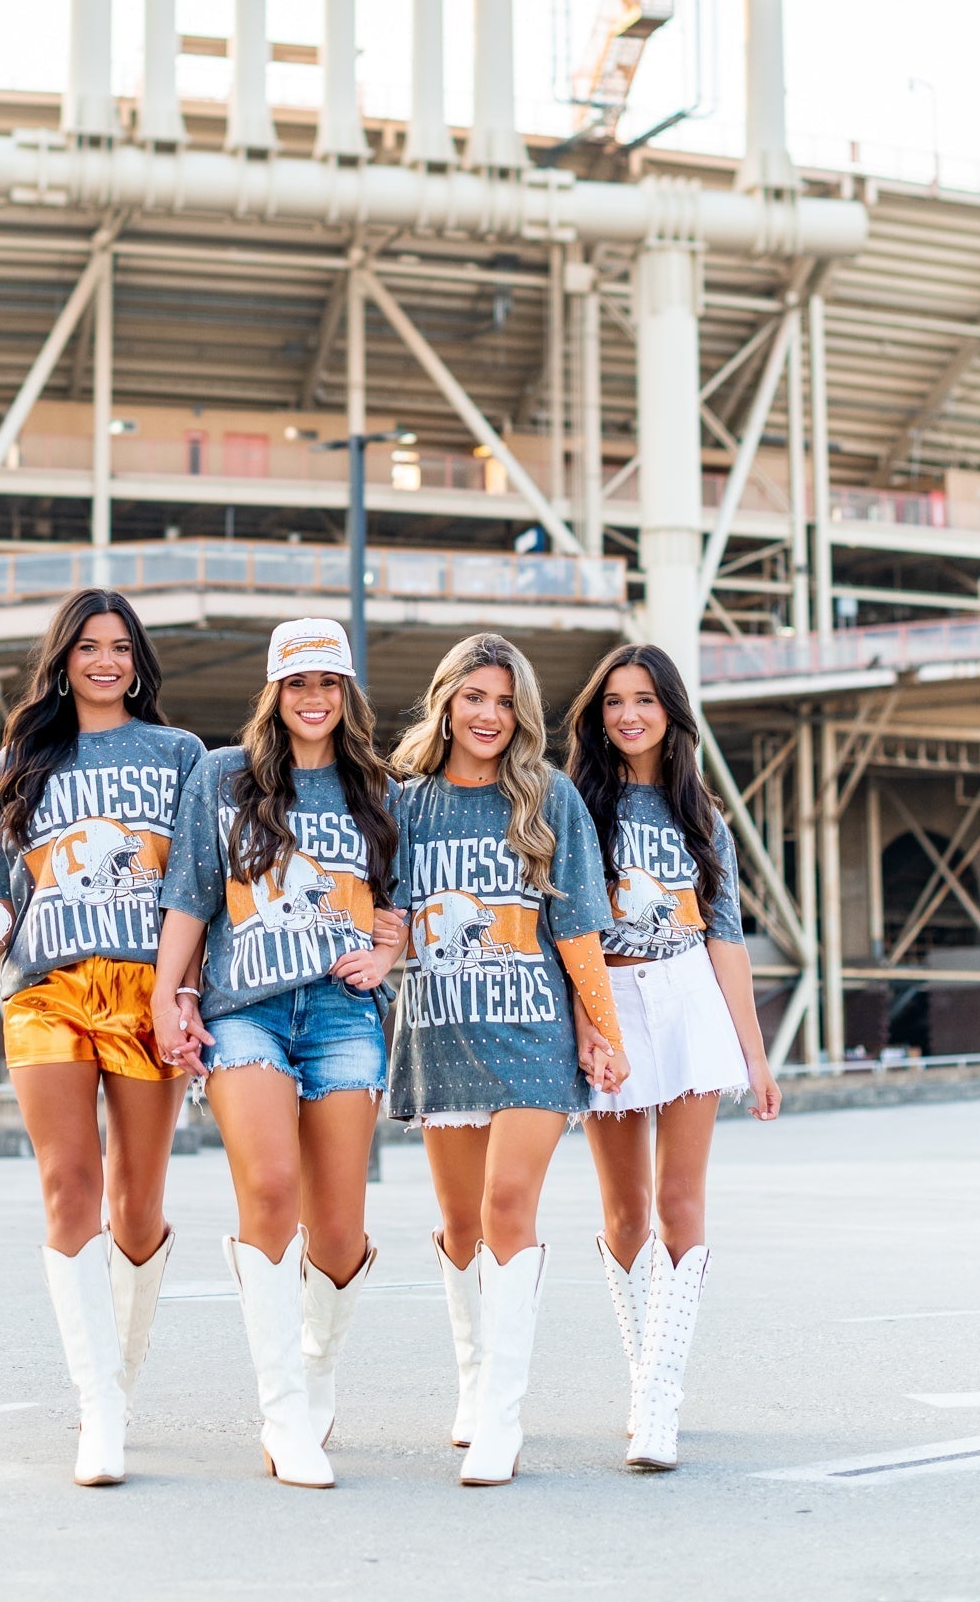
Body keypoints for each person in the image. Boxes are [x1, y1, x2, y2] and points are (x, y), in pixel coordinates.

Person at [0, 589, 202, 1487]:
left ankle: (120, 1379)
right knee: (68, 1185)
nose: (106, 661)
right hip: (45, 991)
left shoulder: (179, 755)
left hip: (146, 991)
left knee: (136, 1206)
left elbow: (198, 886)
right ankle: (98, 1408)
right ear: (62, 660)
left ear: (139, 662)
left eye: (121, 647)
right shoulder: (22, 757)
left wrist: (185, 992)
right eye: (89, 646)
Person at [154, 618, 403, 1490]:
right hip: (244, 1012)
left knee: (338, 1233)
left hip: (343, 1015)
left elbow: (402, 905)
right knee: (268, 1189)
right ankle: (283, 1412)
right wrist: (167, 995)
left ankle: (316, 1368)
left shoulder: (377, 788)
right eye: (298, 683)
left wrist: (388, 956)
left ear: (347, 693)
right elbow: (190, 893)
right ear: (274, 692)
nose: (314, 699)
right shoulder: (224, 777)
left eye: (328, 683)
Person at [387, 632, 629, 1487]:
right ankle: (474, 1379)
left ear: (521, 713)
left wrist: (601, 1029)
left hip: (533, 1034)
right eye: (474, 698)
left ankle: (502, 1414)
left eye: (504, 701)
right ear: (446, 702)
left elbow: (578, 927)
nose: (489, 715)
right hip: (441, 1030)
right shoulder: (403, 804)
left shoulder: (548, 797)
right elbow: (384, 917)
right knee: (460, 1225)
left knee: (505, 1206)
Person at [565, 642, 780, 1473]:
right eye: (615, 701)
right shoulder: (576, 805)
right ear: (598, 714)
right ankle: (641, 1379)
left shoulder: (702, 816)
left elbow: (725, 939)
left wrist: (756, 1058)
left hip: (689, 1000)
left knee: (680, 1201)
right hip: (611, 1004)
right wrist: (587, 1022)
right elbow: (566, 931)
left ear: (671, 712)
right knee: (625, 1212)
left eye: (645, 700)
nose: (629, 714)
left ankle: (659, 1400)